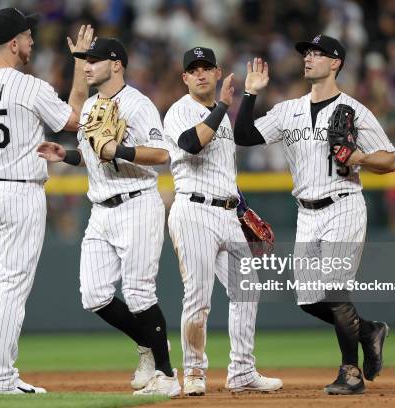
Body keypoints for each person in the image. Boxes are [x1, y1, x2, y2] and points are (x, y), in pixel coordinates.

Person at [234, 34, 395, 395]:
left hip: (343, 203)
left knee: (336, 290)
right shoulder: (288, 110)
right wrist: (250, 93)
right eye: (306, 52)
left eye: (318, 53)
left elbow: (389, 160)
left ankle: (350, 373)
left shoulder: (353, 109)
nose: (309, 57)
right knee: (309, 299)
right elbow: (243, 135)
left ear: (336, 63)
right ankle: (369, 330)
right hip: (306, 212)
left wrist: (360, 158)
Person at [0, 8, 92, 394]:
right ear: (14, 43)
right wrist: (80, 61)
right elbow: (74, 119)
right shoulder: (27, 87)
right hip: (19, 190)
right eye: (28, 36)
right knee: (12, 287)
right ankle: (0, 377)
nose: (32, 42)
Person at [36, 38, 180, 397]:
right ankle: (148, 343)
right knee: (94, 295)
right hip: (100, 209)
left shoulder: (138, 103)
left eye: (96, 60)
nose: (88, 65)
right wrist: (66, 155)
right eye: (86, 59)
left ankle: (166, 375)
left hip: (137, 202)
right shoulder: (89, 108)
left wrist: (122, 149)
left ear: (117, 64)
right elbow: (93, 155)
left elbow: (162, 153)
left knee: (138, 292)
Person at [163, 46, 283, 396]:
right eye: (193, 69)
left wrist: (249, 96)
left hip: (227, 212)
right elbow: (191, 144)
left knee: (247, 290)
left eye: (206, 67)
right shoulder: (179, 111)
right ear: (185, 78)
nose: (200, 73)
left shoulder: (223, 117)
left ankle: (242, 371)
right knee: (198, 296)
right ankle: (195, 372)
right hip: (193, 212)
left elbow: (224, 171)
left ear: (217, 74)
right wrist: (223, 107)